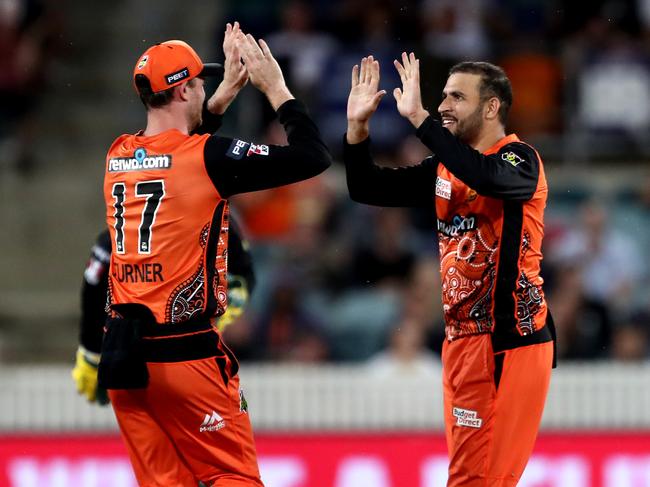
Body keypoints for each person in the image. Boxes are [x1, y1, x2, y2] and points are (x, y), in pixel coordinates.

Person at [94, 22, 331, 486]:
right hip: (186, 356)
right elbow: (312, 157)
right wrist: (277, 89)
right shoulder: (206, 158)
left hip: (123, 352)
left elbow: (179, 149)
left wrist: (221, 95)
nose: (205, 88)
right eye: (199, 82)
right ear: (183, 91)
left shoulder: (118, 154)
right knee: (233, 477)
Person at [344, 54, 555, 486]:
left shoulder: (520, 160)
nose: (443, 105)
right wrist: (357, 129)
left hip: (509, 342)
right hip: (459, 343)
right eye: (442, 96)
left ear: (491, 107)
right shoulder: (443, 167)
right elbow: (366, 187)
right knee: (468, 477)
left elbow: (489, 178)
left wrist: (421, 120)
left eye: (457, 97)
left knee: (484, 480)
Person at [72, 216, 256, 406]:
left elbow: (94, 283)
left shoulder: (120, 232)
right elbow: (243, 270)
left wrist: (91, 352)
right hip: (183, 359)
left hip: (140, 358)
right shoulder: (207, 215)